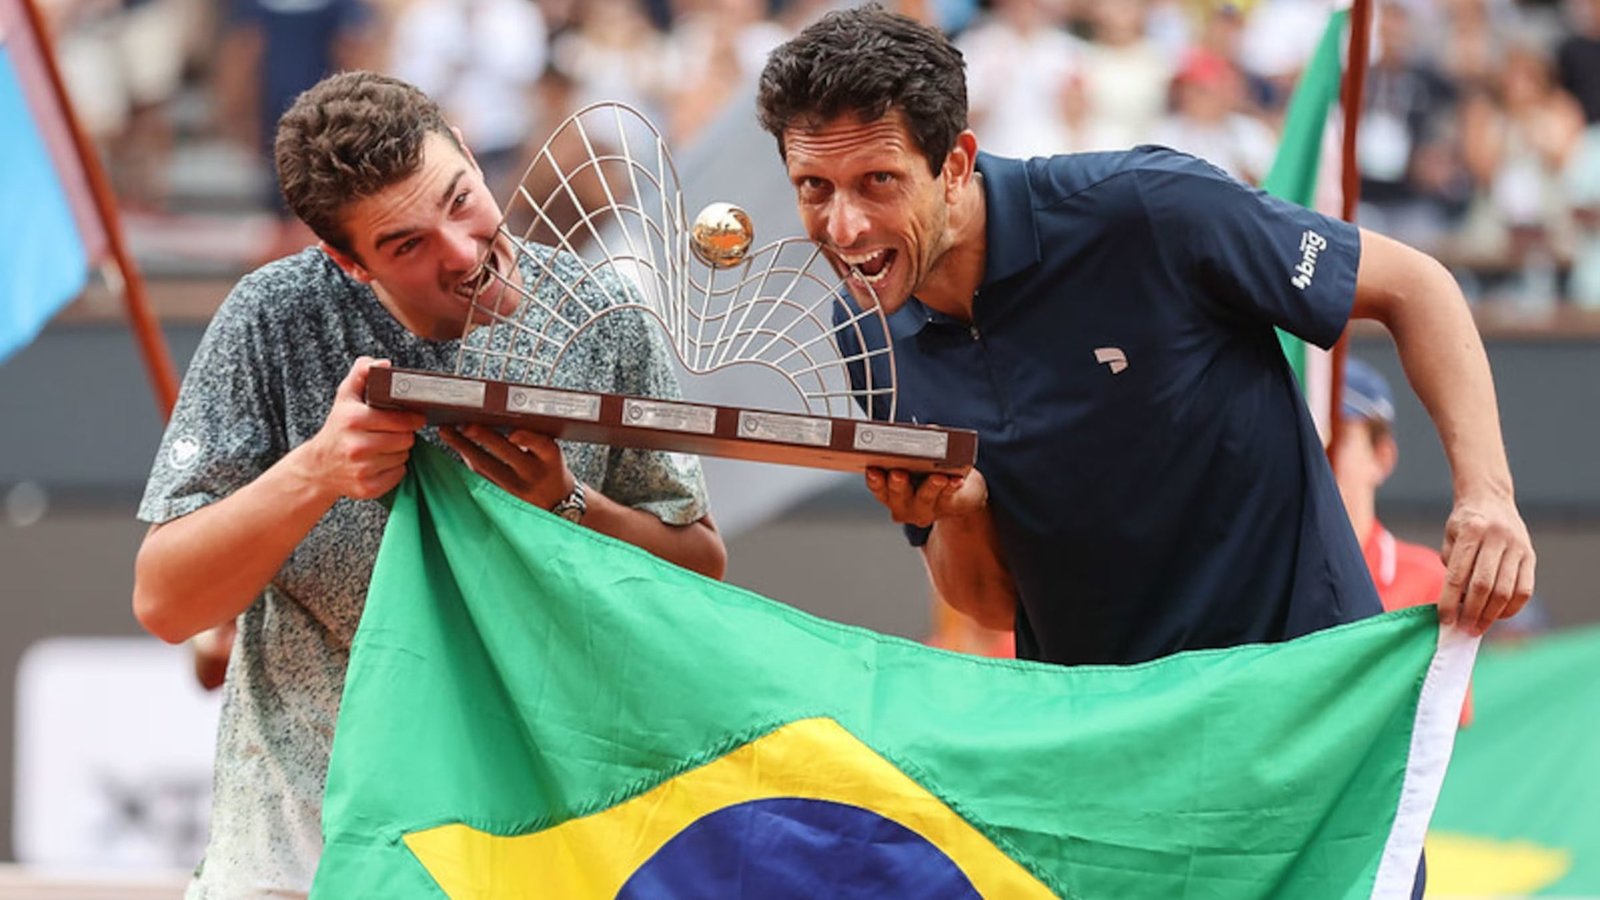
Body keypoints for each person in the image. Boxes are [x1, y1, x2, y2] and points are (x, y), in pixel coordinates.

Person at [754, 5, 1534, 667]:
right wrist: (959, 508)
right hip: (1106, 746)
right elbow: (989, 604)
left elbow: (1417, 286)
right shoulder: (860, 328)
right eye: (813, 189)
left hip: (1297, 687)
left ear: (955, 164)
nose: (844, 225)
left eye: (878, 182)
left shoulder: (1148, 207)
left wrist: (1488, 496)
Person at [131, 71, 726, 896]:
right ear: (346, 262)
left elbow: (698, 570)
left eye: (459, 198)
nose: (461, 251)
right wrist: (315, 472)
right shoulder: (272, 316)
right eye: (406, 244)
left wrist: (567, 505)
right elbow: (166, 600)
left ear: (472, 155)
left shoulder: (606, 314)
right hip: (301, 859)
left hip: (530, 846)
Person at [1332, 357, 1472, 726]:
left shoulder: (1430, 582)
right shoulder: (1264, 576)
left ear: (1382, 457)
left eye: (1337, 435)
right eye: (1309, 436)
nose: (1320, 453)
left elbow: (1436, 728)